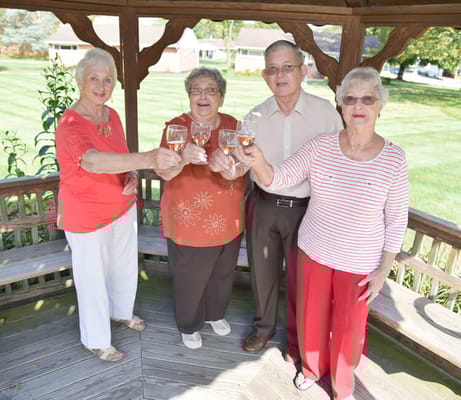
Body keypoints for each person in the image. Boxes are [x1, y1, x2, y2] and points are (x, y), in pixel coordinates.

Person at [236, 66, 409, 400]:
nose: (358, 105)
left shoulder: (394, 159)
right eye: (350, 98)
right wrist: (257, 159)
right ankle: (312, 370)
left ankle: (343, 387)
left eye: (367, 99)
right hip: (314, 250)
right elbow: (278, 177)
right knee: (311, 319)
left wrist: (383, 270)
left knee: (349, 329)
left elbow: (396, 218)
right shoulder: (321, 146)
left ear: (379, 106)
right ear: (341, 105)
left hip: (360, 261)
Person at [56, 48, 181, 362]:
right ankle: (97, 340)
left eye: (108, 79)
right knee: (92, 278)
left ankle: (121, 312)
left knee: (124, 266)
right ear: (80, 81)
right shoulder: (71, 124)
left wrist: (133, 173)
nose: (101, 85)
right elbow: (94, 162)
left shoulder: (111, 115)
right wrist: (149, 158)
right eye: (94, 79)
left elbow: (120, 154)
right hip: (86, 216)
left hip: (121, 206)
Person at [241, 40, 343, 360]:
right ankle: (264, 328)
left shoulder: (325, 112)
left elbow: (340, 162)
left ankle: (299, 341)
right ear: (264, 76)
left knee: (304, 281)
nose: (280, 74)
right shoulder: (255, 115)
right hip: (264, 203)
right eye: (272, 69)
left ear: (303, 71)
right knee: (263, 272)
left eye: (287, 67)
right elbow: (240, 164)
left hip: (308, 209)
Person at [157, 67, 247, 349]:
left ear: (221, 97)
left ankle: (214, 314)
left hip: (229, 218)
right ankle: (188, 323)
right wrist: (182, 158)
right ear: (189, 96)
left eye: (211, 90)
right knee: (190, 278)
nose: (203, 96)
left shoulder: (233, 124)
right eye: (196, 90)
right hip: (189, 222)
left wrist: (235, 169)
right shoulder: (176, 127)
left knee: (222, 272)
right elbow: (164, 173)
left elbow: (246, 163)